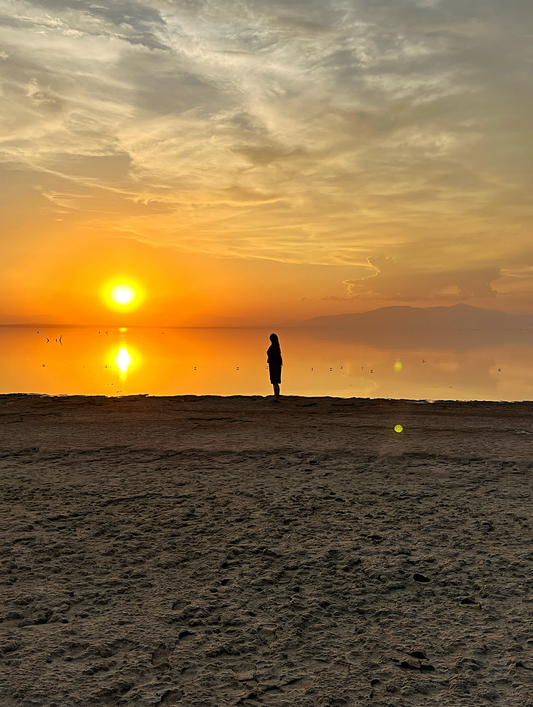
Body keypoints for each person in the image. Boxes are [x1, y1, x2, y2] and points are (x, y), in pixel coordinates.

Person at [267, 333, 282, 401]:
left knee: (275, 382)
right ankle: (276, 396)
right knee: (275, 382)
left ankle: (276, 397)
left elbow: (271, 356)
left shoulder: (274, 348)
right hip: (274, 365)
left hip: (274, 366)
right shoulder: (276, 347)